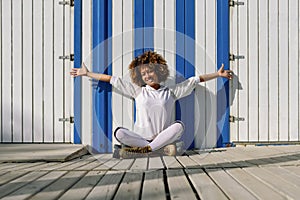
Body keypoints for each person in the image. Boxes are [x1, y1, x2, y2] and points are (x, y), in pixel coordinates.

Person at [70, 50, 232, 158]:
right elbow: (113, 80)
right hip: (141, 139)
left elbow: (195, 80)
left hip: (163, 138)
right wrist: (87, 73)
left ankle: (143, 152)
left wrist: (218, 75)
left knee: (179, 126)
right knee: (119, 133)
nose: (147, 75)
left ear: (158, 71)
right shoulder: (138, 91)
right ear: (140, 77)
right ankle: (152, 150)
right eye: (144, 73)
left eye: (150, 71)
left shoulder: (171, 92)